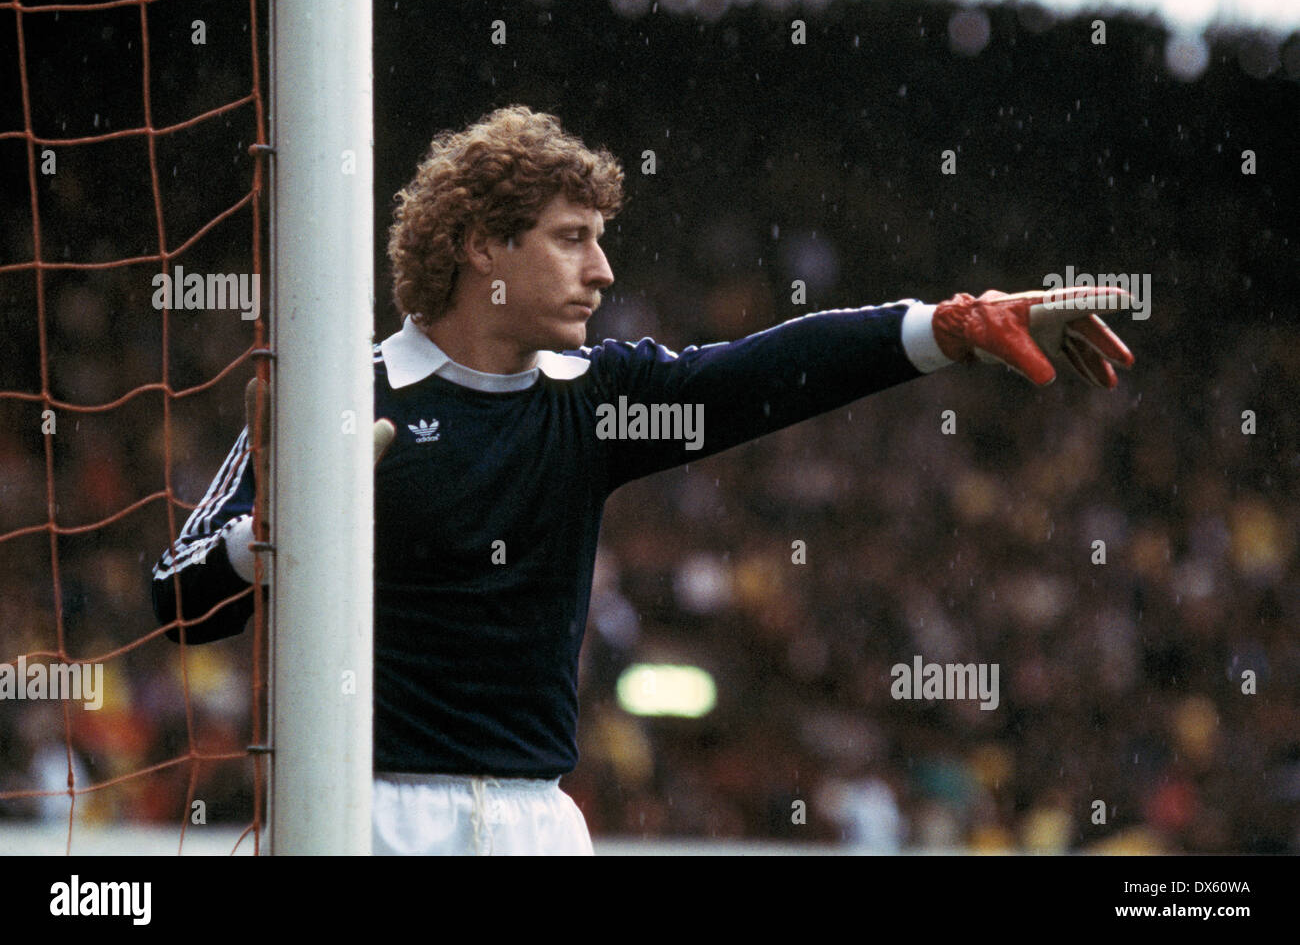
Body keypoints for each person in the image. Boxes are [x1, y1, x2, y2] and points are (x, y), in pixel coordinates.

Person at [151, 105, 1135, 855]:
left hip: (536, 824)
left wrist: (953, 325)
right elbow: (179, 605)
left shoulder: (595, 403)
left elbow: (764, 375)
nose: (603, 268)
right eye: (571, 237)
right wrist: (272, 537)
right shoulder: (336, 395)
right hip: (358, 817)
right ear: (481, 246)